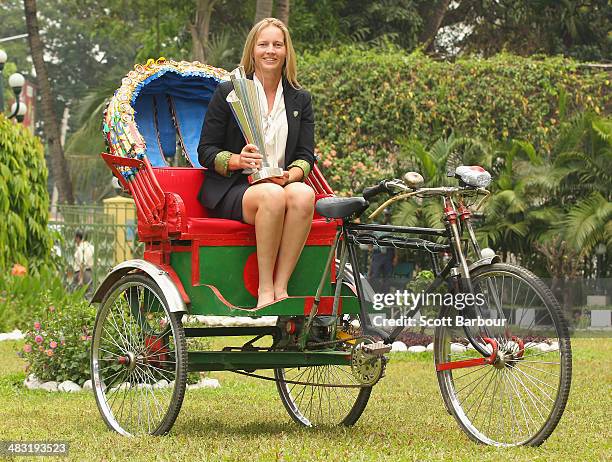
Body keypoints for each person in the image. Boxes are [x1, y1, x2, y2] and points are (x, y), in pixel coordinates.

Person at [198, 18, 315, 307]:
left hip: (280, 183)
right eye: (263, 44)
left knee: (304, 195)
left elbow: (306, 155)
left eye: (278, 44)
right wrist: (237, 159)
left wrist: (292, 175)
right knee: (272, 196)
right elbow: (206, 151)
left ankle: (281, 287)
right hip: (235, 188)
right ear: (252, 51)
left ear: (287, 51)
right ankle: (264, 291)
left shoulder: (301, 99)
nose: (270, 51)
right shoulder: (228, 92)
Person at [72, 229, 94, 297]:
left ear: (78, 238)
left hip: (80, 273)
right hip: (90, 273)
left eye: (75, 237)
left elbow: (82, 263)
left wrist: (80, 279)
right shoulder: (92, 247)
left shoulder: (80, 248)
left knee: (77, 295)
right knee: (89, 294)